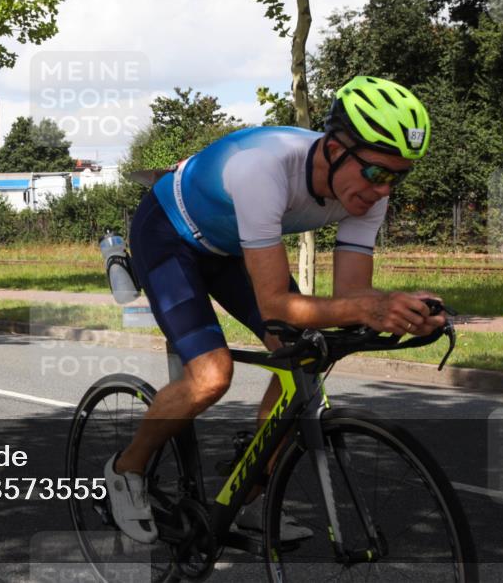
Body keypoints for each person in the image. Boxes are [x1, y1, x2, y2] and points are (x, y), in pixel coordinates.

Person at [104, 76, 447, 544]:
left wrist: (398, 311)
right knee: (210, 376)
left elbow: (350, 299)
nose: (385, 190)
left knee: (302, 355)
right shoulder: (263, 170)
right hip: (168, 236)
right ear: (333, 148)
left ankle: (252, 492)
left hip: (230, 249)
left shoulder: (368, 198)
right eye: (376, 173)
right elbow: (277, 305)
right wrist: (371, 308)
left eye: (398, 176)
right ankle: (127, 470)